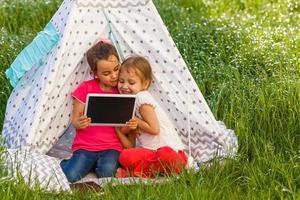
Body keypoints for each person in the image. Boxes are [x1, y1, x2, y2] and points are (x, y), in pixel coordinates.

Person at [60, 40, 124, 183]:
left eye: (116, 69)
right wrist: (79, 122)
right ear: (95, 73)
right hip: (86, 146)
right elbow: (75, 120)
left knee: (107, 173)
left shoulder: (122, 90)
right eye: (106, 73)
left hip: (112, 147)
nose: (114, 76)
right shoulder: (86, 88)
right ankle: (73, 163)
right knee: (71, 175)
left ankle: (96, 166)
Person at [115, 56, 187, 178]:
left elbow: (154, 129)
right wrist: (118, 130)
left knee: (165, 154)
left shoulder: (141, 98)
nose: (124, 86)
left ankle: (134, 173)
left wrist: (137, 121)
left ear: (145, 84)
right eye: (121, 81)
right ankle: (156, 171)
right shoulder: (128, 105)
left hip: (172, 154)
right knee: (124, 156)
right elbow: (130, 146)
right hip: (151, 154)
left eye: (131, 82)